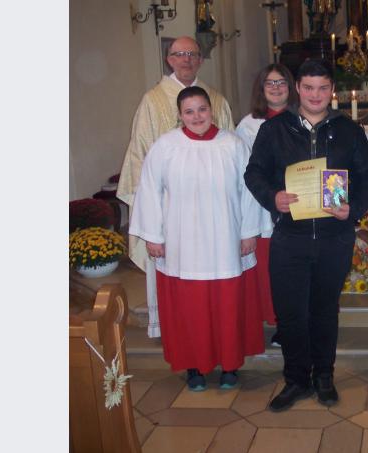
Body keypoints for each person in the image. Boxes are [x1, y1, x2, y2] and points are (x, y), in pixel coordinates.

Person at [244, 59, 368, 411]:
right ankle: (296, 380)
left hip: (335, 236)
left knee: (324, 311)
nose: (315, 95)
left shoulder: (349, 130)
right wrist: (273, 197)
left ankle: (324, 377)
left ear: (331, 90)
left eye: (322, 88)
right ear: (297, 89)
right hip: (290, 236)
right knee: (290, 314)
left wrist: (354, 207)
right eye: (308, 87)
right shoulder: (275, 130)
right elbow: (254, 173)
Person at [129, 86, 264, 391]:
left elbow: (250, 193)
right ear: (179, 115)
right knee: (190, 309)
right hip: (182, 242)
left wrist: (248, 232)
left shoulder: (233, 145)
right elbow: (150, 191)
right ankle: (195, 367)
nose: (197, 116)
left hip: (225, 239)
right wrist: (153, 235)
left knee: (227, 304)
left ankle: (230, 365)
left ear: (210, 109)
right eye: (189, 111)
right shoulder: (165, 147)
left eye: (202, 109)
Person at [117, 36, 234, 338]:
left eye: (192, 54)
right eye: (179, 54)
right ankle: (183, 337)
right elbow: (141, 158)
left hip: (216, 215)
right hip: (173, 215)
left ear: (200, 60)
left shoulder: (217, 100)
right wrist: (151, 223)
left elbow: (233, 157)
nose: (186, 59)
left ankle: (218, 338)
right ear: (169, 59)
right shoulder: (153, 100)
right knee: (180, 289)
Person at [236, 64, 298, 346]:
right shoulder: (249, 125)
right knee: (272, 269)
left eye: (281, 82)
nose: (275, 88)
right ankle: (280, 323)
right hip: (262, 208)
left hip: (301, 204)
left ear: (291, 86)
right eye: (269, 83)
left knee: (297, 268)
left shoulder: (303, 118)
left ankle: (300, 320)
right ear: (261, 89)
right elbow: (244, 171)